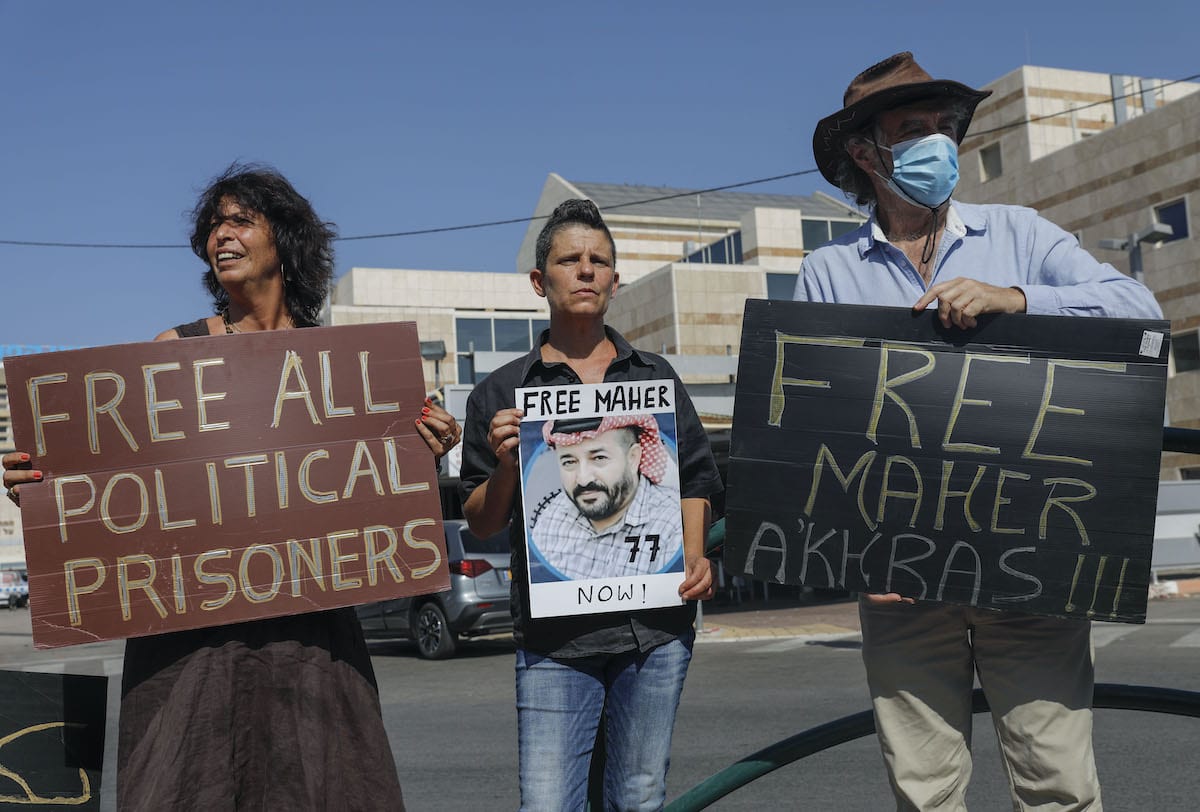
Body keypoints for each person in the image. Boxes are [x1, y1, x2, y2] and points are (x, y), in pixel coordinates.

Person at [2, 163, 461, 811]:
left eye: (241, 220)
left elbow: (374, 503)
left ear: (286, 241)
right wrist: (45, 492)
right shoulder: (175, 351)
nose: (222, 235)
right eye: (214, 224)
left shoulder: (343, 370)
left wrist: (427, 451)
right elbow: (116, 492)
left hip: (310, 642)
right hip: (194, 647)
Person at [797, 52, 1163, 811]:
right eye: (912, 130)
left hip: (1030, 564)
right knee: (924, 791)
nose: (938, 143)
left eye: (944, 127)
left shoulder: (1021, 235)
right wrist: (851, 543)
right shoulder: (828, 273)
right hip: (899, 582)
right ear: (866, 154)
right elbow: (811, 423)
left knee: (1057, 783)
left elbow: (1140, 310)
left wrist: (1017, 299)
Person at [460, 198, 722, 810]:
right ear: (538, 281)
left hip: (656, 631)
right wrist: (506, 464)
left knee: (638, 797)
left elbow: (695, 482)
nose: (586, 270)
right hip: (554, 642)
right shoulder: (501, 392)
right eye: (569, 259)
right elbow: (481, 520)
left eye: (599, 261)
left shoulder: (653, 377)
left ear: (615, 280)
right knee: (548, 802)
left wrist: (695, 556)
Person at [531, 414, 683, 580]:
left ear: (633, 459)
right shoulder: (551, 518)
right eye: (569, 462)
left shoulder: (673, 523)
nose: (583, 479)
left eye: (599, 458)